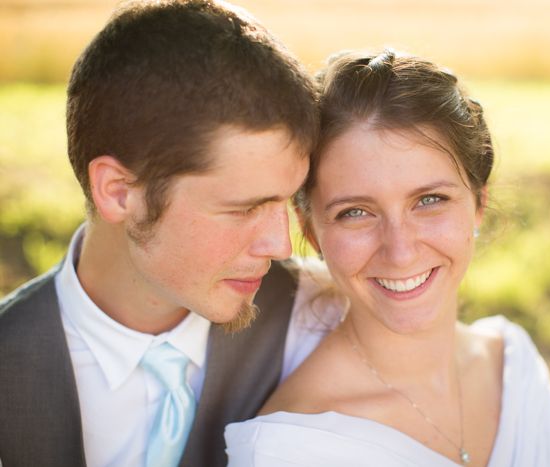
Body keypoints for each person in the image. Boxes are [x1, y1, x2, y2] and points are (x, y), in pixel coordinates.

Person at [0, 1, 319, 466]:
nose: (281, 245)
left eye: (286, 201)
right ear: (118, 192)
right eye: (243, 208)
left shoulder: (319, 321)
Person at [224, 50, 550, 466]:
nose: (400, 250)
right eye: (354, 212)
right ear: (309, 231)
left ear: (478, 204)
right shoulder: (292, 448)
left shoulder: (514, 367)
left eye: (429, 200)